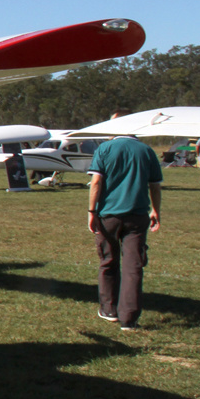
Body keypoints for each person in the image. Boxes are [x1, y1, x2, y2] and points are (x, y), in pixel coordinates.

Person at [88, 119, 163, 331]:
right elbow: (155, 186)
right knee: (133, 266)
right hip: (137, 217)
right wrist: (155, 210)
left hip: (108, 215)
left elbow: (96, 182)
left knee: (108, 261)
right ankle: (129, 318)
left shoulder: (105, 149)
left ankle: (109, 309)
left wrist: (92, 211)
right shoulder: (147, 151)